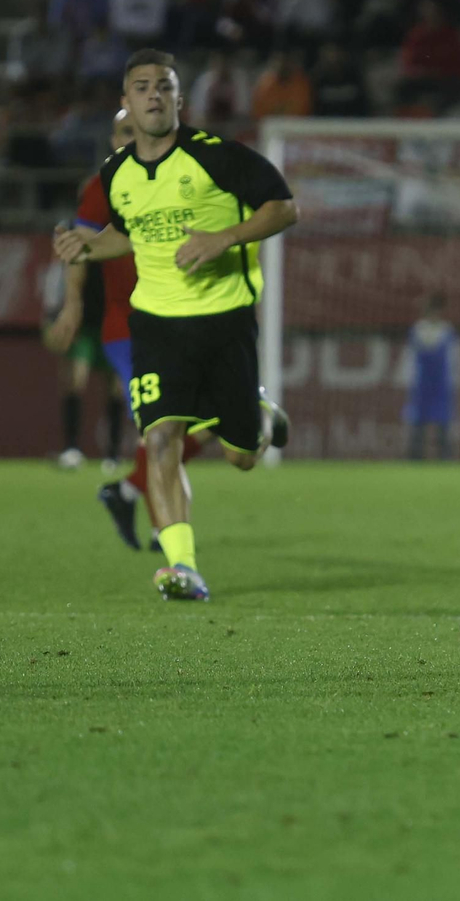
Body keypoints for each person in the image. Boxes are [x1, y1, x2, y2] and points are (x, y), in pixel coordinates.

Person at [53, 49, 298, 601]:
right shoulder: (116, 173)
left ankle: (255, 416)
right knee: (161, 439)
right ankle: (183, 568)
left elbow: (284, 208)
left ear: (179, 99)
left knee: (240, 458)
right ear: (126, 102)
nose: (153, 95)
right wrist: (89, 246)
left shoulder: (217, 157)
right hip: (157, 326)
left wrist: (224, 238)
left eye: (163, 86)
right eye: (141, 87)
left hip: (225, 320)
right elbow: (133, 233)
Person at [69, 109, 207, 551]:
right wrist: (71, 304)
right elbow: (79, 245)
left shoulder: (179, 180)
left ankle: (128, 490)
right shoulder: (102, 187)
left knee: (202, 427)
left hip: (179, 322)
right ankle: (164, 533)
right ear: (113, 139)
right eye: (125, 132)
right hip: (126, 330)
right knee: (160, 429)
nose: (135, 139)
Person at [41, 243, 123, 473]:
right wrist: (51, 315)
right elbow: (58, 275)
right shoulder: (81, 233)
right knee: (75, 381)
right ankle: (72, 449)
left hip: (114, 322)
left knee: (116, 388)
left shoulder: (120, 233)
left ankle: (113, 454)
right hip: (84, 325)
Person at [401, 293, 460, 460]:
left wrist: (455, 381)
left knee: (443, 426)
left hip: (442, 385)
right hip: (421, 385)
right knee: (417, 426)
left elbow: (455, 359)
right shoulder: (417, 330)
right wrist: (407, 380)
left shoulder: (448, 331)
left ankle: (445, 461)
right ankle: (414, 460)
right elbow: (408, 358)